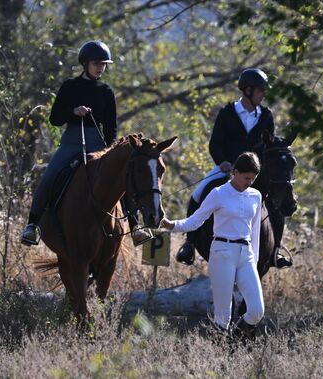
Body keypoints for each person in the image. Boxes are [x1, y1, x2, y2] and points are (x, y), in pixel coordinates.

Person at [20, 40, 151, 247]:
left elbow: (111, 127)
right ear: (85, 63)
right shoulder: (70, 87)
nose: (101, 68)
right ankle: (32, 225)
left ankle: (135, 227)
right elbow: (55, 119)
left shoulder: (106, 91)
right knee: (49, 176)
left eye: (104, 64)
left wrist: (109, 150)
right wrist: (74, 111)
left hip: (99, 144)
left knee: (121, 177)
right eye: (97, 63)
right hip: (72, 142)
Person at [177, 68, 291, 268]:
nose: (264, 94)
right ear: (247, 90)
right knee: (198, 193)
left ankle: (276, 250)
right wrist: (222, 161)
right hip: (227, 167)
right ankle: (190, 243)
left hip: (256, 172)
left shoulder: (266, 116)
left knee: (276, 201)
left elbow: (269, 146)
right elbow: (215, 144)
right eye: (260, 91)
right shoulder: (227, 113)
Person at [160, 152, 265, 337]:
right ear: (235, 172)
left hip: (246, 254)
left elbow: (255, 231)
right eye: (246, 178)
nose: (250, 182)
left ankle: (235, 338)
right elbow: (195, 221)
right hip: (222, 252)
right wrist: (173, 225)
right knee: (223, 316)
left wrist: (254, 261)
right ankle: (219, 353)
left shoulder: (256, 196)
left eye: (253, 179)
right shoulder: (218, 193)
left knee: (257, 310)